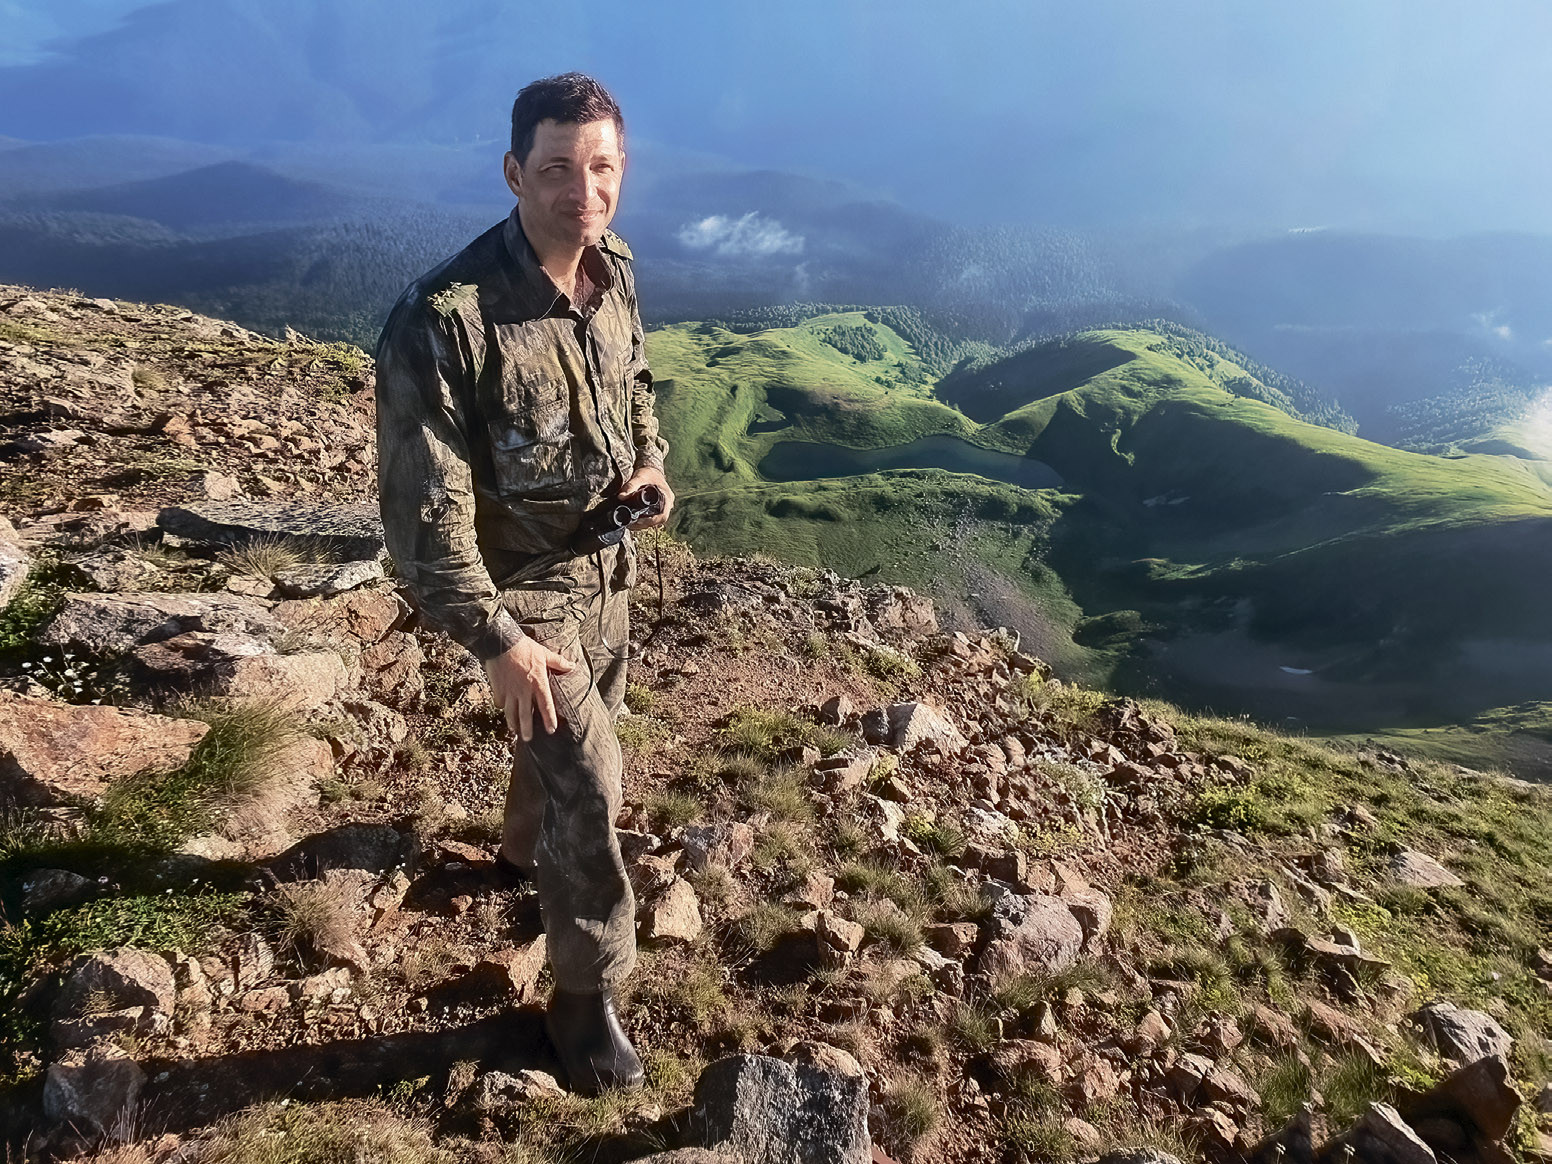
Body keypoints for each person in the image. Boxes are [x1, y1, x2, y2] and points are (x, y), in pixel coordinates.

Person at [374, 72, 672, 1094]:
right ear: (513, 173)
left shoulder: (613, 269)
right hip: (519, 589)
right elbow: (423, 522)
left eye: (602, 169)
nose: (584, 193)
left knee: (574, 753)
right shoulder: (443, 323)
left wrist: (649, 463)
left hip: (608, 566)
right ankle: (584, 1001)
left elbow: (634, 382)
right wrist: (498, 641)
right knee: (590, 779)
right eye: (556, 170)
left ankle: (515, 855)